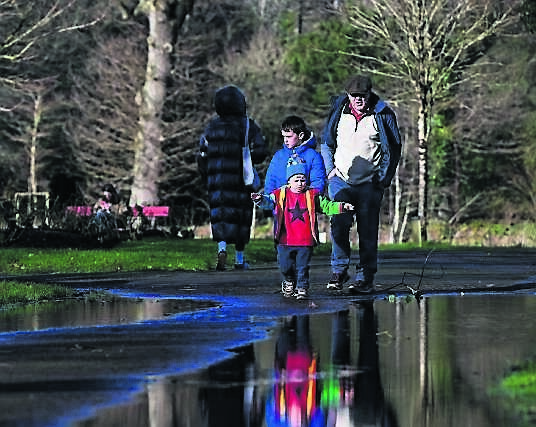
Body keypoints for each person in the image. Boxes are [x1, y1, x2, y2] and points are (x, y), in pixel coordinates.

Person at [321, 74, 402, 294]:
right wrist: (330, 171)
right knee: (338, 224)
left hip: (369, 183)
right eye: (353, 95)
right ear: (348, 95)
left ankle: (365, 276)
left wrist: (382, 179)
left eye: (362, 95)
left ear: (369, 94)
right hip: (340, 181)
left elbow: (393, 150)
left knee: (367, 230)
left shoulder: (383, 114)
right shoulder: (339, 111)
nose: (358, 99)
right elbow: (326, 144)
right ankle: (339, 270)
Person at [252, 157, 353, 299]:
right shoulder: (280, 194)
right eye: (296, 180)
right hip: (285, 239)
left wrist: (342, 206)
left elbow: (327, 206)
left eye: (303, 179)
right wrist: (259, 199)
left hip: (305, 240)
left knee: (302, 267)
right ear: (289, 181)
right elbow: (268, 202)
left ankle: (302, 287)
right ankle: (289, 280)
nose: (300, 183)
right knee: (285, 266)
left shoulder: (312, 195)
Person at [197, 84, 268, 271]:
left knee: (220, 215)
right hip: (241, 179)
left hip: (216, 180)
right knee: (241, 217)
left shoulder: (211, 127)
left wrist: (206, 176)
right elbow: (261, 151)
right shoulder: (247, 125)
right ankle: (239, 259)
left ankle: (221, 249)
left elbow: (202, 154)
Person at [264, 115, 326, 195]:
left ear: (301, 135)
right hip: (280, 205)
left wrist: (308, 200)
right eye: (284, 136)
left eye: (289, 137)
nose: (285, 140)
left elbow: (318, 183)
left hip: (305, 204)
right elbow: (270, 182)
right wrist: (269, 201)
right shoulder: (278, 156)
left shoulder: (313, 156)